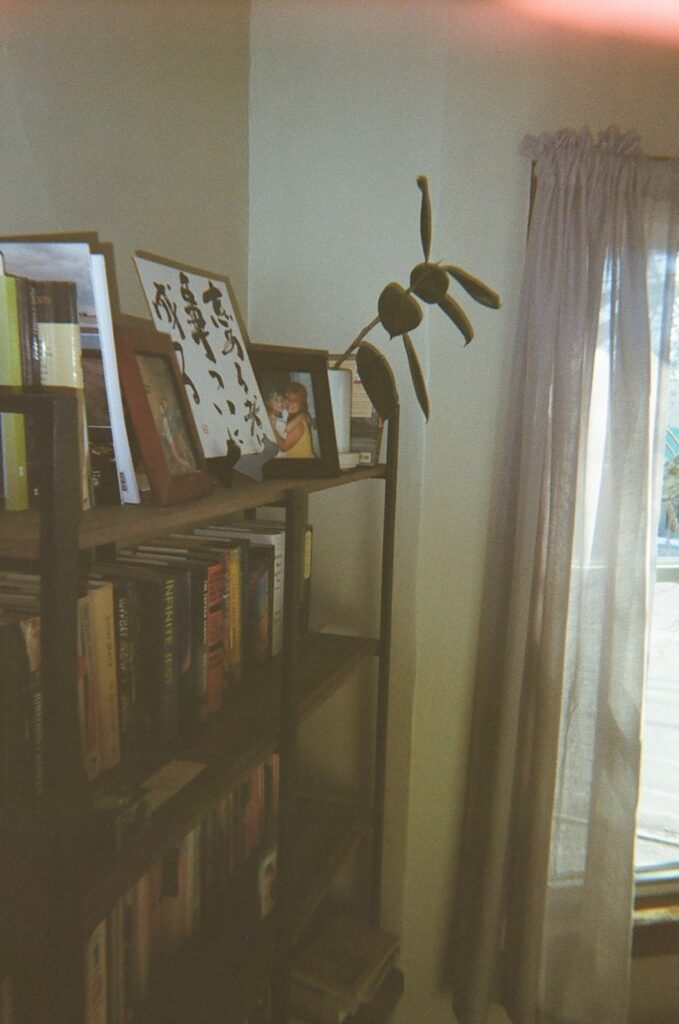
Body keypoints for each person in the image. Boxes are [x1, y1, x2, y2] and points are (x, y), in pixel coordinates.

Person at [272, 381, 315, 458]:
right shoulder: (290, 414)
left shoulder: (299, 424)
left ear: (301, 404)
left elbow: (284, 447)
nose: (290, 402)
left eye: (294, 400)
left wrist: (273, 429)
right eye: (287, 399)